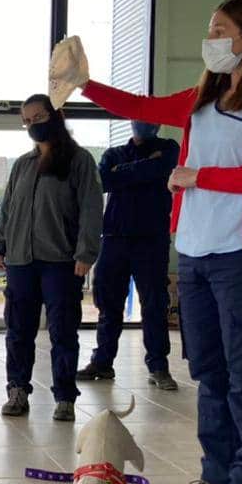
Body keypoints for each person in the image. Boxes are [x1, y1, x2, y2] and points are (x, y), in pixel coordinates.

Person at [55, 0, 242, 484]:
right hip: (196, 254)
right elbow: (144, 108)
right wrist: (85, 84)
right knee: (211, 373)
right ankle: (217, 474)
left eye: (221, 30)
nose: (211, 40)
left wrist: (199, 177)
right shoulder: (207, 94)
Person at [0, 95, 103, 422]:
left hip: (62, 262)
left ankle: (65, 397)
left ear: (56, 114)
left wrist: (85, 253)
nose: (32, 126)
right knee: (18, 330)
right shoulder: (22, 165)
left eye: (37, 117)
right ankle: (18, 390)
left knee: (63, 332)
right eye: (26, 121)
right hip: (21, 262)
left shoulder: (79, 161)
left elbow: (92, 210)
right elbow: (8, 208)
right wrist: (0, 246)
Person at [77, 121, 180, 390]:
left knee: (154, 305)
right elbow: (105, 181)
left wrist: (125, 173)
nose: (145, 124)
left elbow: (156, 169)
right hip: (114, 239)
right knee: (108, 305)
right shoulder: (113, 153)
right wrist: (143, 168)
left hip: (151, 240)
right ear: (132, 122)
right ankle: (102, 362)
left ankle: (158, 367)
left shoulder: (169, 149)